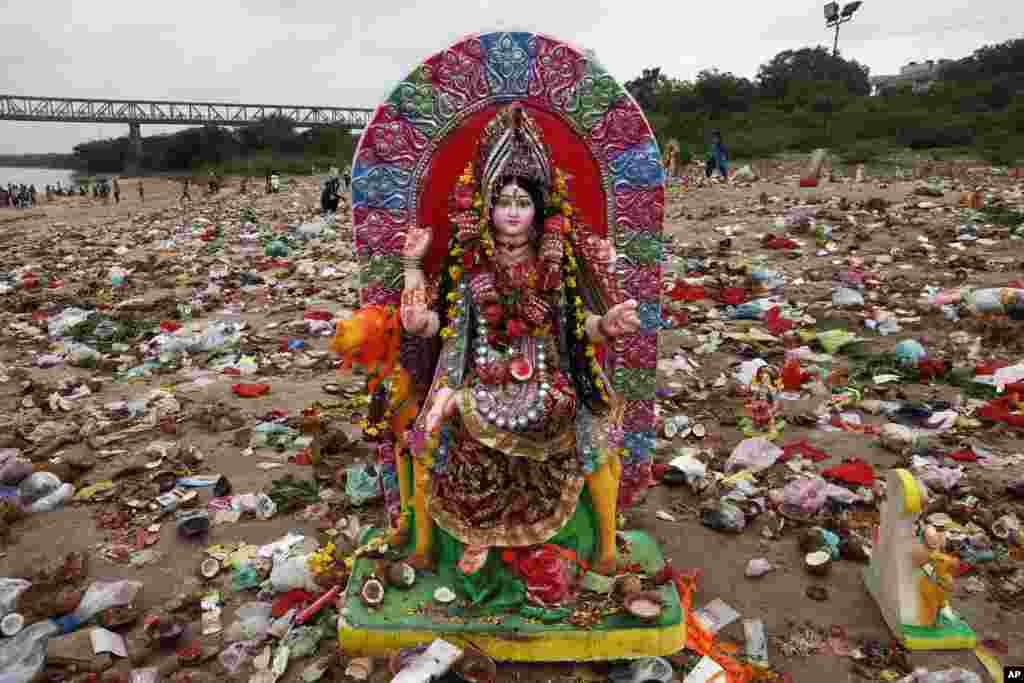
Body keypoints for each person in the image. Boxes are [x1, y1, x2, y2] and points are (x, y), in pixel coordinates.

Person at [334, 103, 641, 577]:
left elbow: (576, 327)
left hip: (549, 373)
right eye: (504, 202)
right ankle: (462, 540)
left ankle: (602, 549)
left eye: (523, 202)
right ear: (486, 208)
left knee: (580, 421)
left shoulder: (555, 260)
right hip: (477, 372)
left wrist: (609, 325)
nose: (513, 212)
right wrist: (414, 279)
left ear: (539, 208)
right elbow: (435, 326)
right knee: (439, 424)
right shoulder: (469, 259)